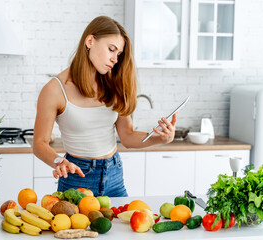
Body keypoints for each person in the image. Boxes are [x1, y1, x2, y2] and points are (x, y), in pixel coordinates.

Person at [33, 16, 177, 197]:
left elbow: (127, 136)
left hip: (114, 175)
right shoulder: (55, 89)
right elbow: (39, 143)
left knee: (123, 225)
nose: (115, 59)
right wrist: (58, 161)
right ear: (90, 41)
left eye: (118, 54)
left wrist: (160, 139)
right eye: (111, 49)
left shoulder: (114, 85)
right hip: (77, 178)